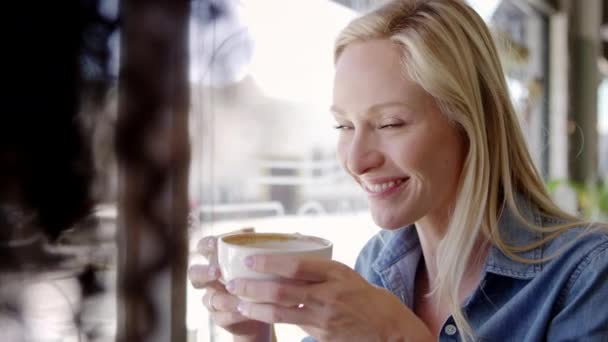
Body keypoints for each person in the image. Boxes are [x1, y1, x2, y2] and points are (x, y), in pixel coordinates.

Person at [188, 0, 608, 341]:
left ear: (471, 125)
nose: (356, 160)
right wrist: (254, 330)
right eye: (344, 126)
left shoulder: (587, 277)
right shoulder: (376, 265)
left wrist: (396, 335)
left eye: (389, 124)